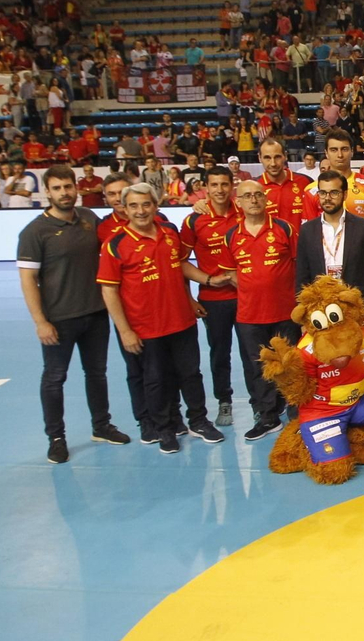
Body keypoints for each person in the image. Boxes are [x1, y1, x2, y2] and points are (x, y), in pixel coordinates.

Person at [98, 183, 226, 454]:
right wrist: (124, 331)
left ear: (156, 206)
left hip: (181, 321)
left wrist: (201, 288)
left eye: (146, 204)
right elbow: (109, 290)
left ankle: (198, 420)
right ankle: (165, 429)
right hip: (145, 327)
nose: (140, 211)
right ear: (125, 208)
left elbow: (179, 265)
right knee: (155, 380)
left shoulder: (169, 232)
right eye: (133, 205)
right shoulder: (116, 245)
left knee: (191, 374)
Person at [16, 166, 130, 463]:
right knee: (54, 378)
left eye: (68, 186)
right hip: (59, 319)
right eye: (57, 188)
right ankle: (56, 437)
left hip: (95, 313)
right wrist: (41, 322)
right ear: (47, 192)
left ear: (76, 188)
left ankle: (101, 425)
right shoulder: (34, 232)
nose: (64, 193)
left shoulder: (89, 220)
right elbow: (28, 280)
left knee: (97, 374)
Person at [221, 178, 300, 442]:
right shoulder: (231, 235)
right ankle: (267, 416)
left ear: (266, 199)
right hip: (250, 315)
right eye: (247, 196)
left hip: (286, 312)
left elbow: (299, 264)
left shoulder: (284, 228)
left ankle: (296, 411)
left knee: (290, 364)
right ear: (238, 202)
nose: (253, 200)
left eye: (258, 195)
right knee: (259, 368)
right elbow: (231, 271)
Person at [180, 165, 242, 427]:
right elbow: (181, 263)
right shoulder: (194, 220)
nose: (220, 190)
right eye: (214, 185)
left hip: (247, 297)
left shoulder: (245, 212)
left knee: (257, 352)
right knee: (220, 353)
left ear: (232, 186)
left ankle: (264, 403)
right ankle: (224, 401)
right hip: (213, 301)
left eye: (224, 184)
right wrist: (199, 288)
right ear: (205, 187)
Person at [295, 169, 364, 320]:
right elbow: (302, 277)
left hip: (357, 308)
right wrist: (303, 317)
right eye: (322, 193)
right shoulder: (307, 230)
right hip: (320, 310)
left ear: (345, 194)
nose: (327, 198)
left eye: (334, 193)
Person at [257, 137, 319, 228]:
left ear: (285, 156)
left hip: (302, 242)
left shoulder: (305, 182)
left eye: (277, 157)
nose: (273, 163)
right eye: (267, 158)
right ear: (259, 158)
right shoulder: (255, 187)